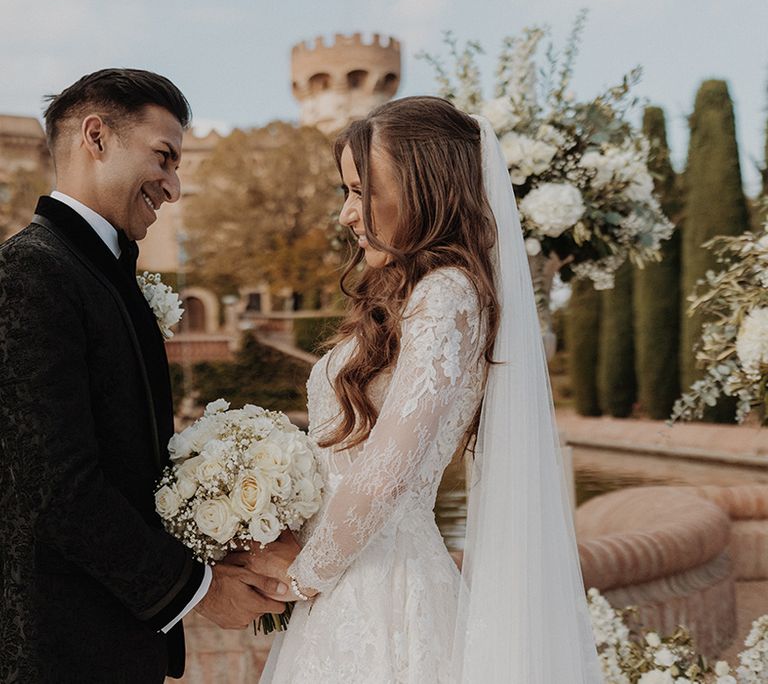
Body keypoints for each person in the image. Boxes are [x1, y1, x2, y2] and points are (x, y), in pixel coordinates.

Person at [250, 97, 603, 682]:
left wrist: (300, 577)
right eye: (347, 192)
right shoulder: (404, 294)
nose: (347, 214)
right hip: (347, 584)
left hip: (386, 593)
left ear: (423, 188)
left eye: (361, 191)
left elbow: (388, 467)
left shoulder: (447, 296)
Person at [0, 68, 290, 683]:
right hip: (58, 649)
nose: (174, 186)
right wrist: (198, 591)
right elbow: (55, 486)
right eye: (163, 158)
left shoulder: (100, 273)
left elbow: (127, 467)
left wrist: (215, 539)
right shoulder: (30, 273)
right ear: (96, 137)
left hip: (114, 641)